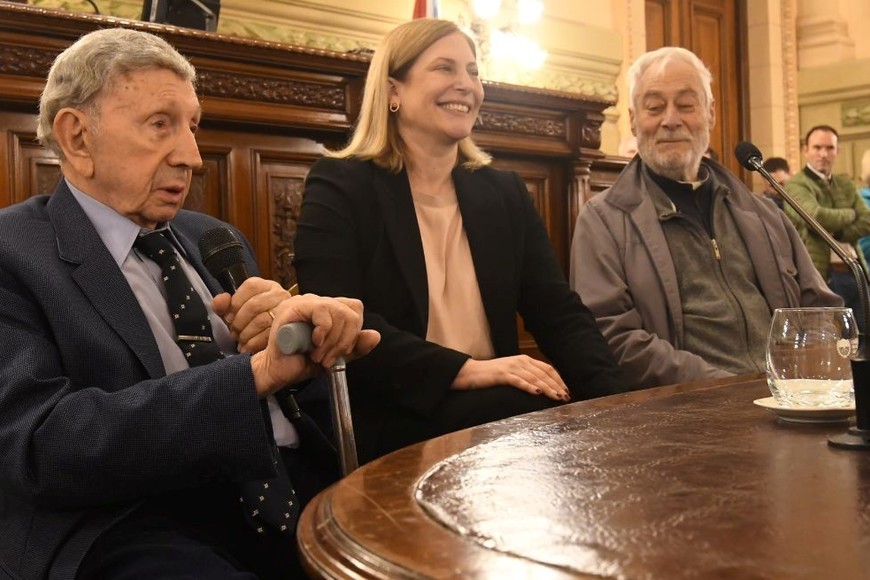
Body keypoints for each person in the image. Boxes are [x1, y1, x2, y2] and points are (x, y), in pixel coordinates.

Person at [0, 28, 380, 580]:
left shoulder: (213, 238)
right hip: (130, 521)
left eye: (193, 127)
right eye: (161, 125)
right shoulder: (13, 254)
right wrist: (252, 375)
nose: (193, 157)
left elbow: (288, 398)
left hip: (289, 485)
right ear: (78, 137)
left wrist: (309, 344)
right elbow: (43, 447)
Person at [293, 18, 625, 462]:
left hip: (499, 407)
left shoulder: (504, 192)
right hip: (394, 410)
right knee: (542, 418)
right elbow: (344, 322)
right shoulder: (341, 183)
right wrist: (467, 371)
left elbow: (558, 312)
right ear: (394, 90)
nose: (466, 84)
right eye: (445, 69)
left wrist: (619, 404)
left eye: (473, 71)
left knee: (581, 420)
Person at [569, 46, 841, 390]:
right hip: (689, 414)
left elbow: (821, 308)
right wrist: (728, 387)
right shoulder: (604, 220)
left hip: (788, 401)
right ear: (634, 119)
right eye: (654, 107)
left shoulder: (762, 213)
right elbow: (611, 335)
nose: (671, 120)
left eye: (686, 105)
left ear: (710, 114)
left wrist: (802, 382)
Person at [784, 125, 870, 328]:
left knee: (865, 343)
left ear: (837, 151)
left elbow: (866, 219)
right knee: (835, 341)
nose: (823, 154)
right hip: (824, 275)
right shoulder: (796, 185)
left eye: (830, 148)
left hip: (855, 270)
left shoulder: (845, 184)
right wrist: (850, 213)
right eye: (817, 147)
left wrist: (839, 232)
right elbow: (815, 217)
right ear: (806, 150)